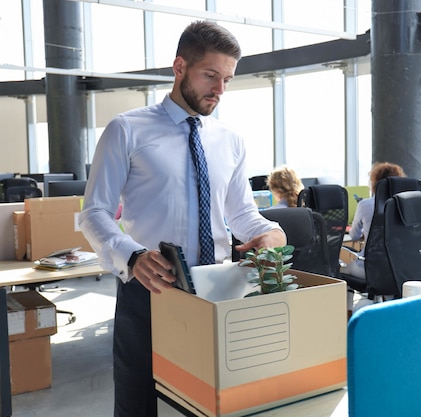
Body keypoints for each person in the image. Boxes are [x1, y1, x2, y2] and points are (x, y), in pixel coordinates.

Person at [78, 21, 286, 417]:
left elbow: (241, 213)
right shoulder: (127, 129)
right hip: (151, 290)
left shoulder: (230, 140)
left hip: (218, 291)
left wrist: (271, 233)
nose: (219, 90)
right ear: (179, 67)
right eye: (210, 75)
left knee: (211, 403)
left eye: (227, 79)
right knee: (141, 403)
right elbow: (94, 212)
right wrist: (134, 256)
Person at [340, 162, 406, 278]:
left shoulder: (365, 205)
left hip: (368, 269)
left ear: (375, 183)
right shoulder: (404, 206)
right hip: (397, 270)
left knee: (342, 270)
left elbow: (354, 235)